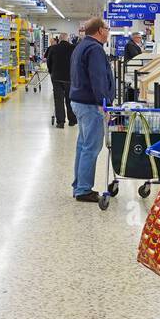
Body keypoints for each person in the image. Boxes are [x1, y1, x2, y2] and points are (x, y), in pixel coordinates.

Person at [68, 18, 114, 202]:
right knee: (91, 147)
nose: (108, 31)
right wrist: (105, 104)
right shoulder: (95, 49)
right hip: (90, 104)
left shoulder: (81, 46)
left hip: (79, 101)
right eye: (107, 28)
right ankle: (84, 190)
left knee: (83, 146)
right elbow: (98, 79)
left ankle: (79, 185)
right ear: (100, 30)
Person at [49, 33, 76, 128]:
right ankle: (72, 120)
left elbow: (49, 62)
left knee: (58, 100)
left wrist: (51, 72)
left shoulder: (54, 48)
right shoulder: (73, 48)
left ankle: (60, 122)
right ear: (67, 39)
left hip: (56, 78)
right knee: (70, 99)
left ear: (59, 39)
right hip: (69, 78)